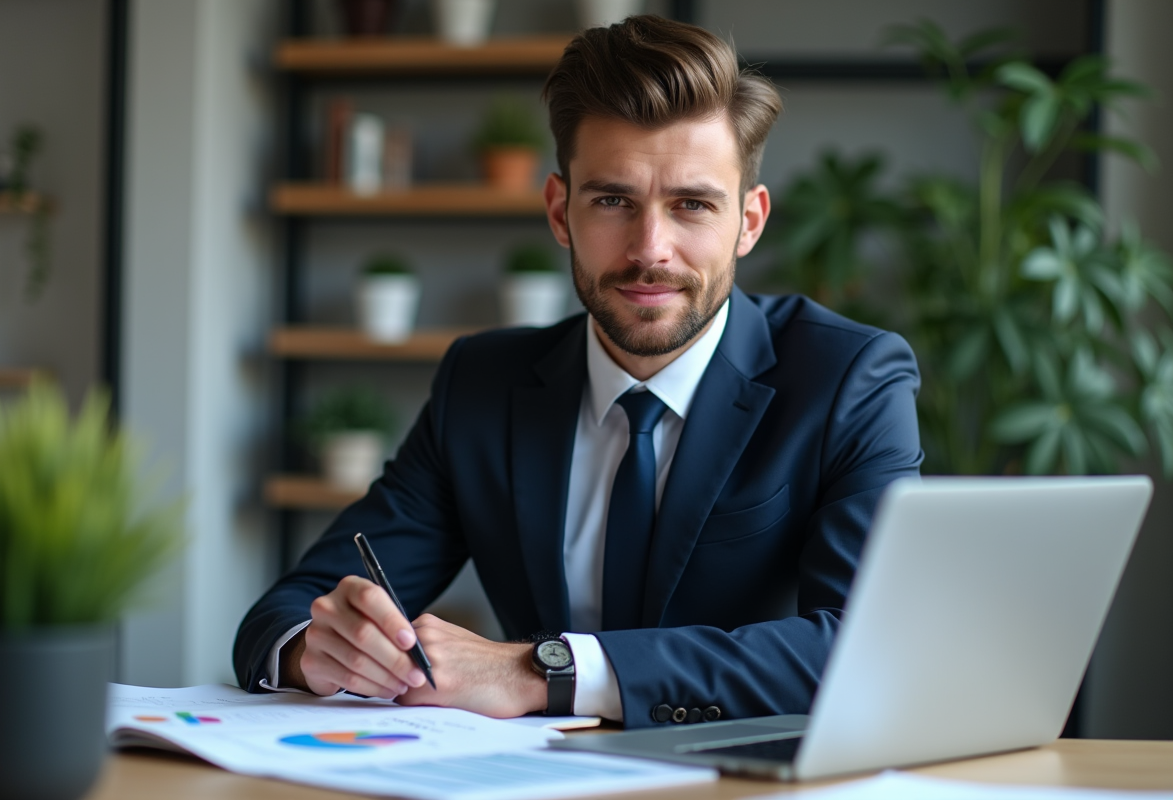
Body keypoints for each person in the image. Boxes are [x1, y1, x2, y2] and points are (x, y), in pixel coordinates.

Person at [234, 15, 922, 729]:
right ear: (560, 212)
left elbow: (865, 646)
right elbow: (286, 613)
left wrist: (541, 669)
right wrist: (317, 648)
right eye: (613, 201)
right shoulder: (482, 383)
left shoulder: (850, 379)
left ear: (749, 221)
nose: (650, 249)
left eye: (692, 205)